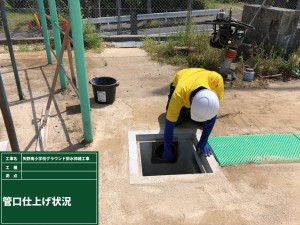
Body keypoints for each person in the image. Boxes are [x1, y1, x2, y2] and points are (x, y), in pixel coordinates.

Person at [163, 68, 224, 161]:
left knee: (204, 122)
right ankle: (184, 111)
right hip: (182, 77)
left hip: (201, 76)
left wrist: (204, 140)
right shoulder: (179, 94)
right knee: (176, 122)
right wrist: (167, 148)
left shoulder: (217, 81)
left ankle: (187, 112)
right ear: (191, 104)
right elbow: (169, 124)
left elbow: (212, 112)